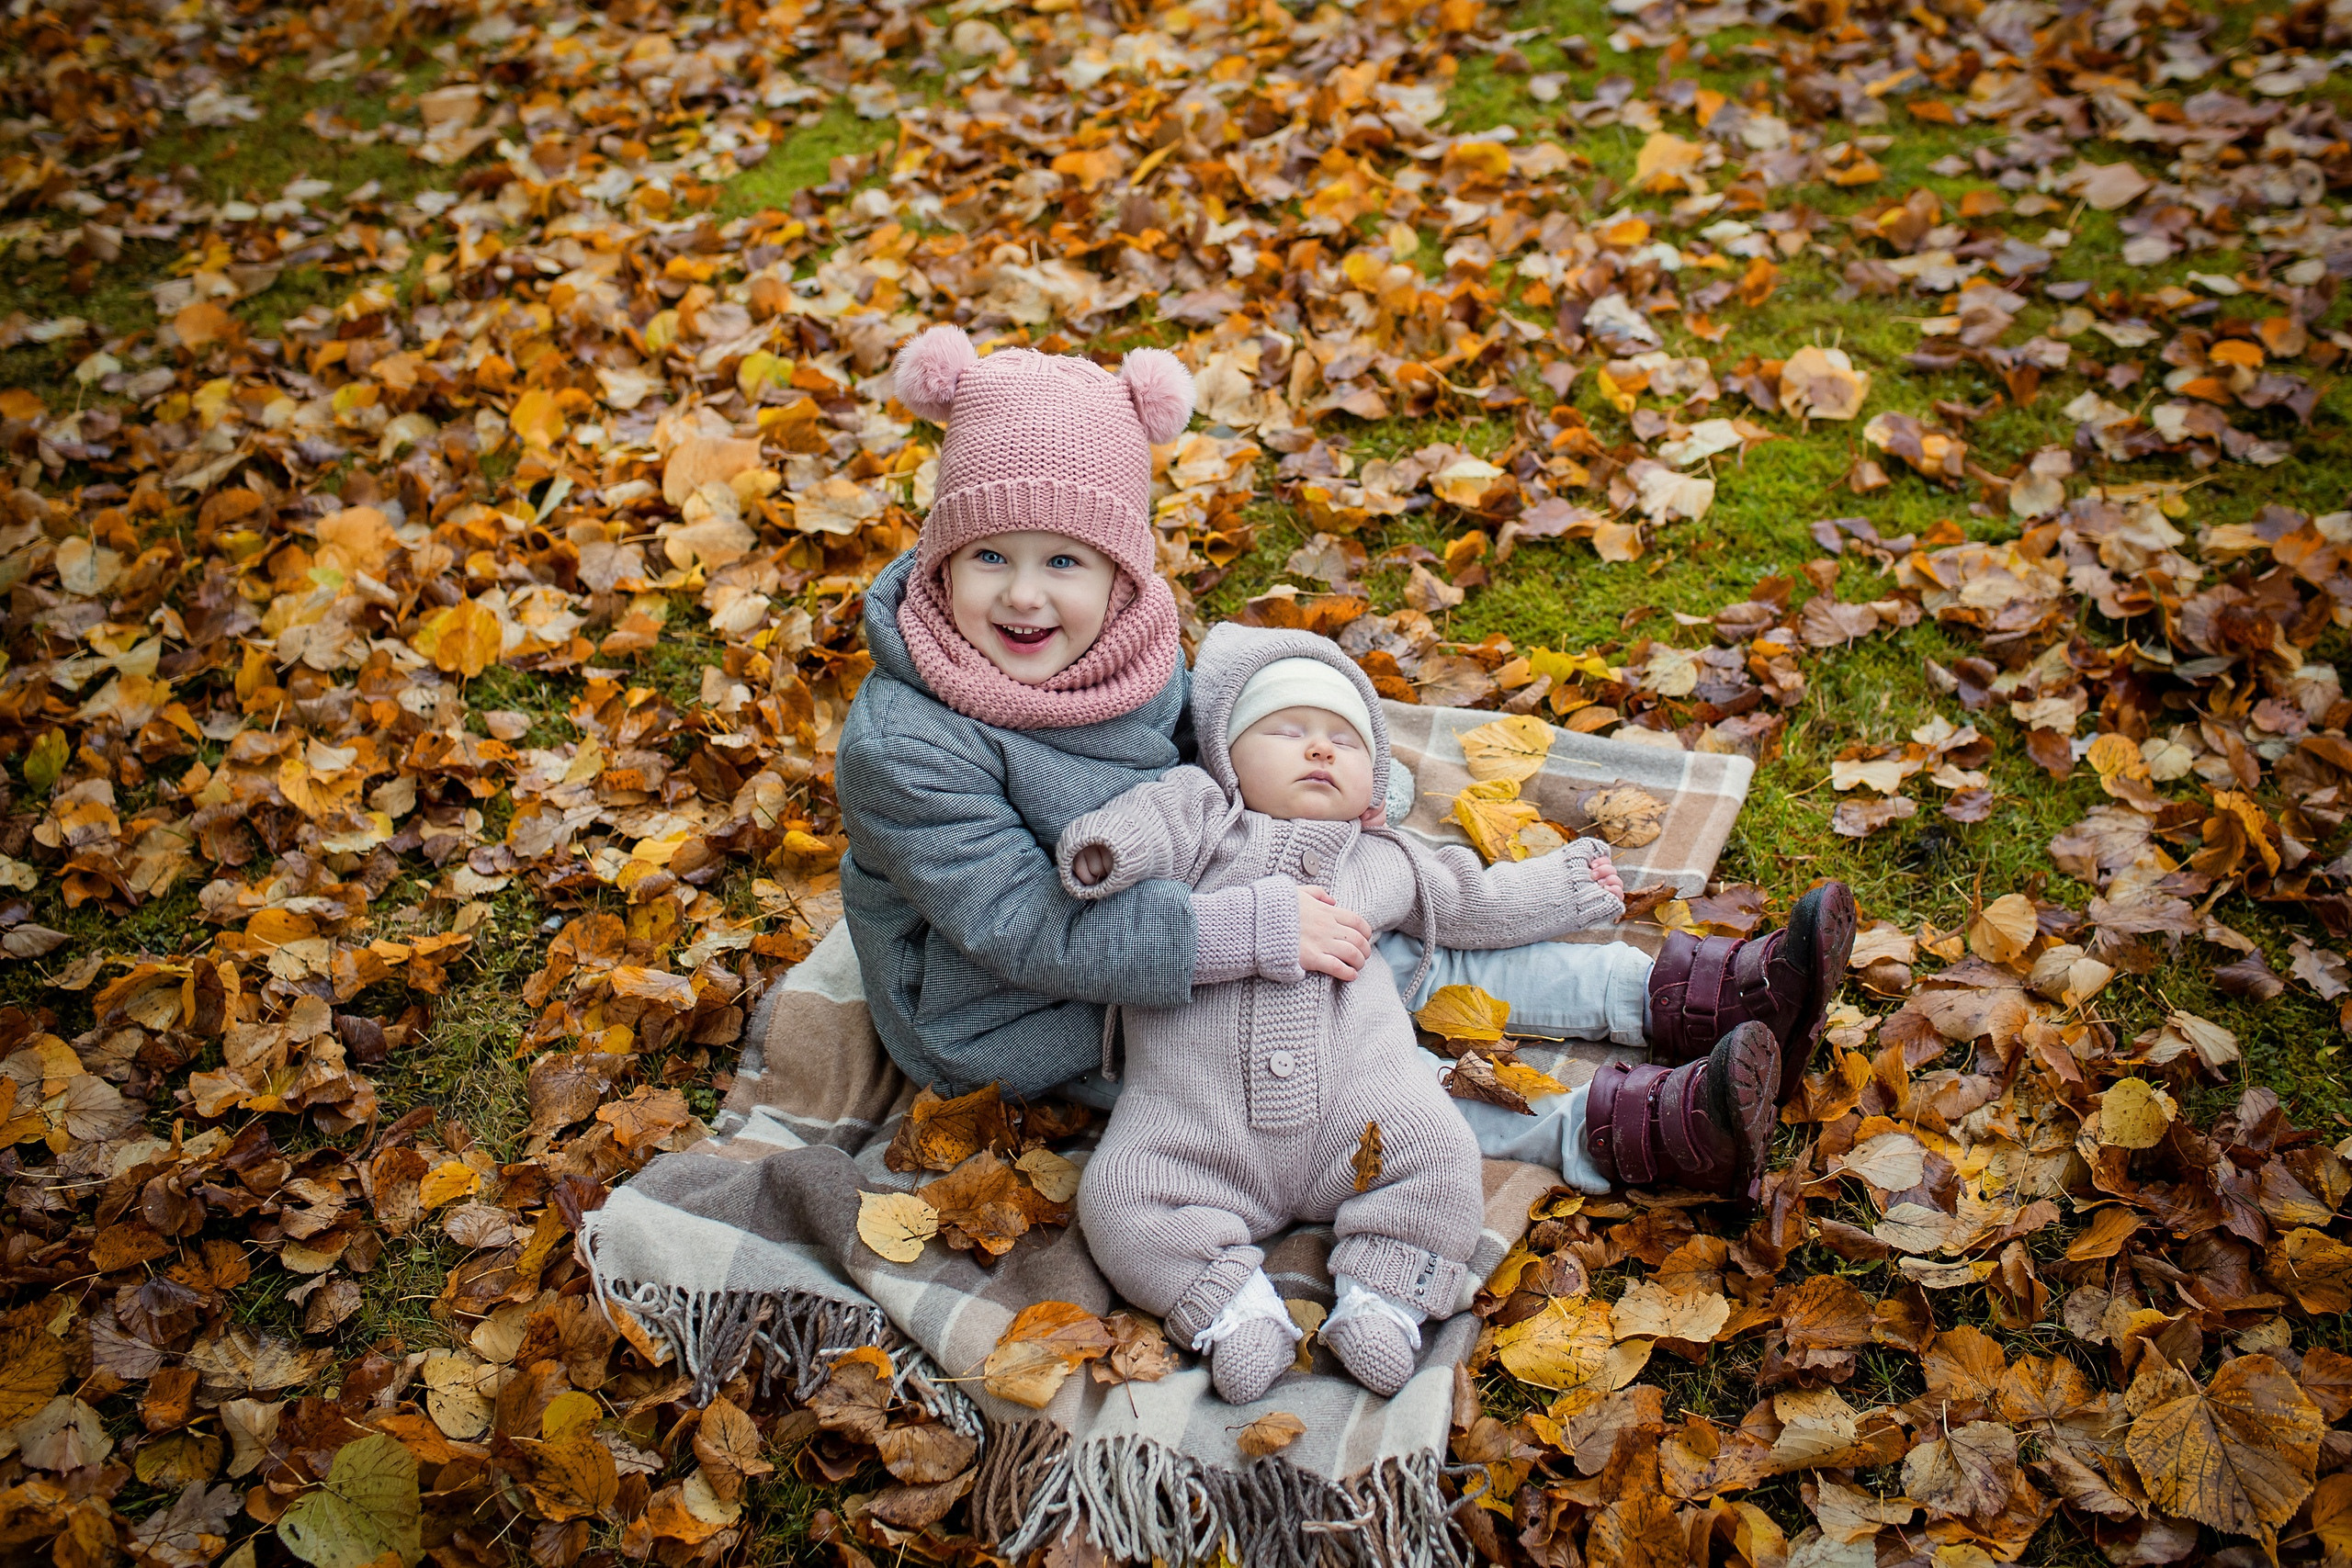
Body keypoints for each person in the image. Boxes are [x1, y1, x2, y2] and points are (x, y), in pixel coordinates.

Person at [830, 323, 1857, 1225]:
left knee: (1380, 924)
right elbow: (1024, 926)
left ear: (1120, 573)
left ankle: (1685, 998)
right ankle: (1616, 1133)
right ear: (939, 560)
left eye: (1064, 562)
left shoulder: (1125, 647)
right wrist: (1251, 932)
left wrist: (1338, 805)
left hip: (1172, 893)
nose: (1024, 598)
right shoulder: (910, 744)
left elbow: (1201, 754)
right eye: (988, 558)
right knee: (1304, 1052)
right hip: (1016, 1003)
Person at [1054, 625, 1786, 1401]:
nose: (1319, 750)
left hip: (1357, 1122)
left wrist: (1564, 886)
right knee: (1118, 1198)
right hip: (1197, 1127)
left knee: (1440, 1153)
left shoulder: (1380, 857)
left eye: (1344, 738)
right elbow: (1150, 820)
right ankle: (1233, 1312)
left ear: (1373, 778)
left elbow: (1470, 898)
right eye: (1288, 729)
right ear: (1225, 753)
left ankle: (1382, 1299)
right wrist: (1108, 849)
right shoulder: (1203, 819)